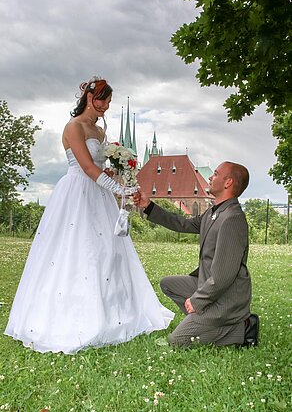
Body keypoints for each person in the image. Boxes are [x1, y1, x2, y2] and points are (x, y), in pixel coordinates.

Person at [4, 76, 174, 354]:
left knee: (108, 251)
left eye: (108, 100)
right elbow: (87, 167)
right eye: (102, 99)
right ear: (88, 98)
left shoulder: (101, 132)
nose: (105, 105)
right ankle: (73, 316)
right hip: (77, 192)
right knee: (75, 252)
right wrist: (120, 189)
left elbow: (101, 168)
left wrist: (121, 181)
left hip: (99, 195)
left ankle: (113, 313)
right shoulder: (73, 127)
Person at [134, 161, 259, 348]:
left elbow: (224, 275)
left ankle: (240, 328)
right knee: (169, 284)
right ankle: (203, 323)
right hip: (208, 287)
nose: (210, 177)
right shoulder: (214, 212)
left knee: (176, 342)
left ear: (228, 183)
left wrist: (198, 300)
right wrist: (149, 206)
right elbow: (183, 224)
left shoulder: (232, 219)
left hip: (225, 299)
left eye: (215, 174)